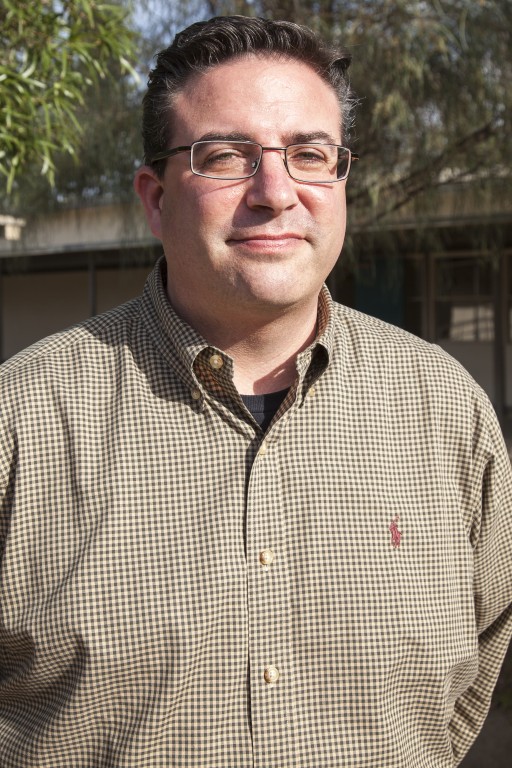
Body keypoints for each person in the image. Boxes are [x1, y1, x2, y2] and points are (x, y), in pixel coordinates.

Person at [0, 15, 511, 768]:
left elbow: (472, 678)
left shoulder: (445, 409)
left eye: (310, 154)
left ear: (341, 183)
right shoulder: (20, 419)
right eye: (226, 157)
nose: (275, 192)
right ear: (156, 197)